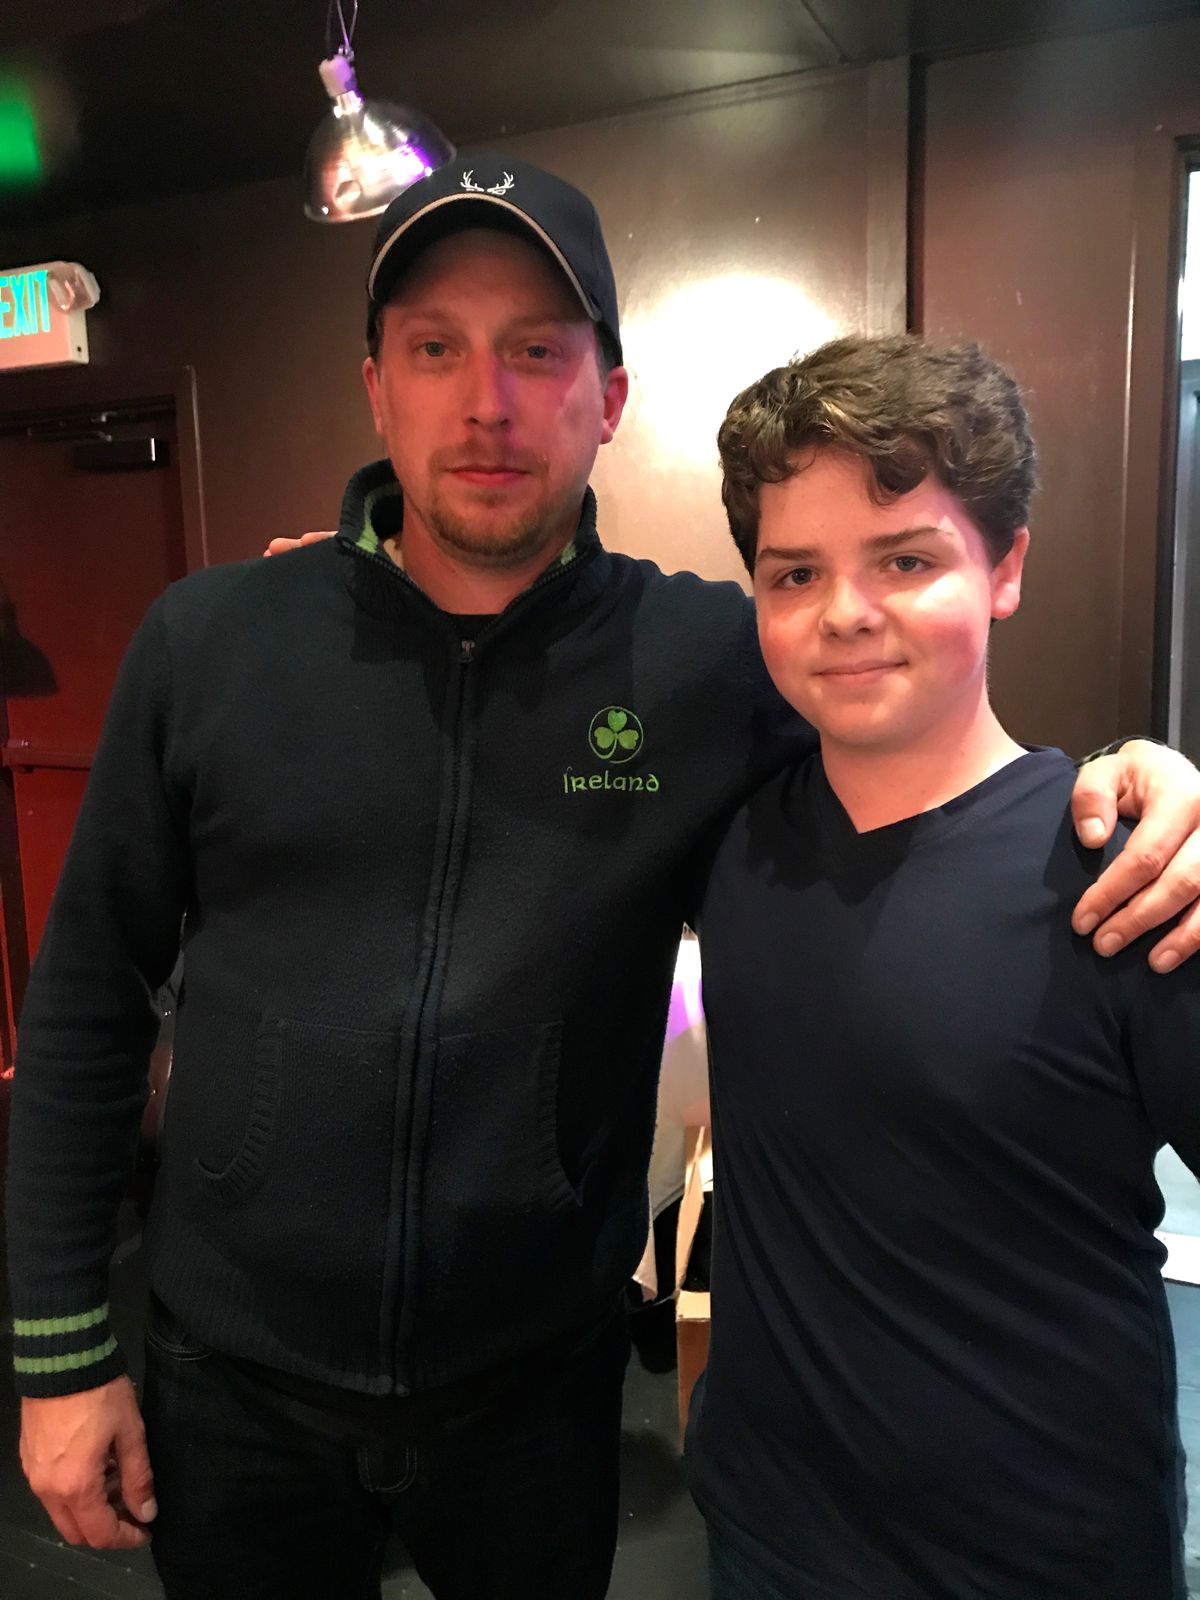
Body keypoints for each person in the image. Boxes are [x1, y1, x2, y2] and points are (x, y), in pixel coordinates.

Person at [5, 157, 1200, 1600]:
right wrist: (59, 1352)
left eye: (537, 350)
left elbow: (927, 739)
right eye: (435, 349)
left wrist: (1141, 773)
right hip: (234, 1379)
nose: (486, 401)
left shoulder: (710, 660)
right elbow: (87, 998)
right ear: (376, 385)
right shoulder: (213, 643)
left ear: (609, 396)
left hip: (537, 1395)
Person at [690, 334, 1200, 1600]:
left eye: (906, 559)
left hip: (1041, 1555)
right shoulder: (732, 835)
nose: (845, 613)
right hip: (768, 1531)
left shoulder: (1128, 875)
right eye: (795, 573)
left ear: (1005, 566)